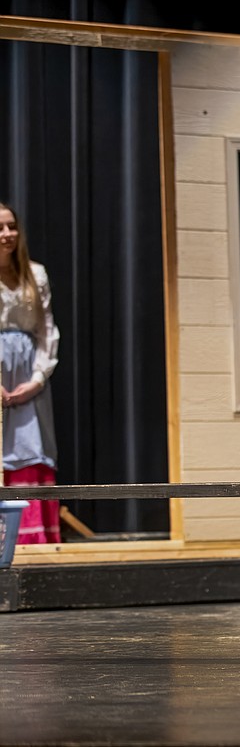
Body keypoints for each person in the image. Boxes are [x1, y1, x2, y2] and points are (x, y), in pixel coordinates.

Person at [0, 201, 61, 544]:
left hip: (26, 380)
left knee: (30, 450)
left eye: (12, 226)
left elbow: (46, 331)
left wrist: (36, 380)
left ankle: (34, 541)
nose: (7, 234)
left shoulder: (34, 275)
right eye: (0, 228)